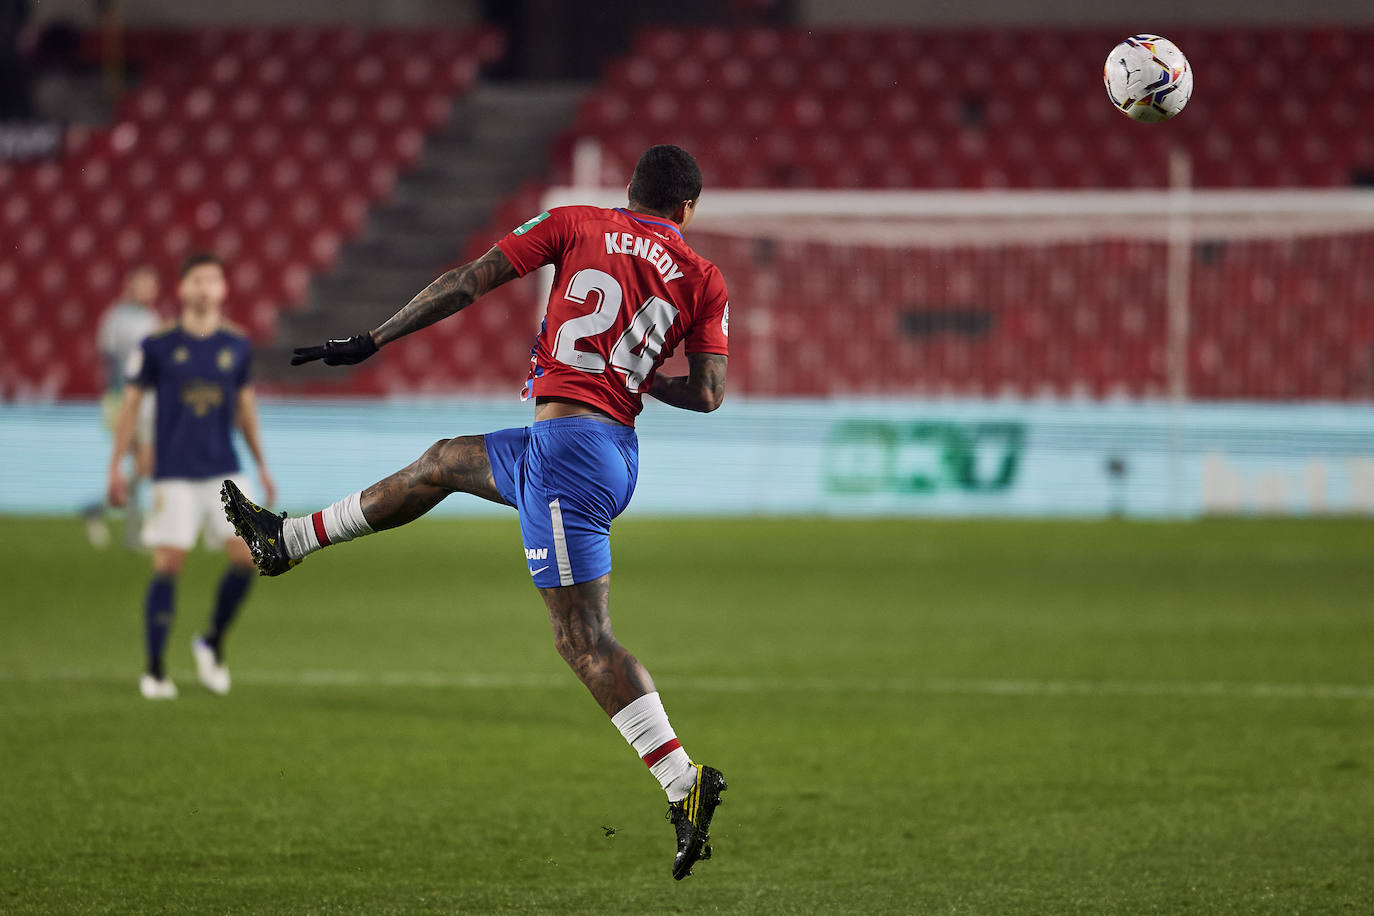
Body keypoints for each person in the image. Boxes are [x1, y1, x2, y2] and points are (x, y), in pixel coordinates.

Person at [222, 145, 730, 879]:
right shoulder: (706, 277)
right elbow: (710, 392)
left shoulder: (574, 221)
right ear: (686, 210)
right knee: (444, 462)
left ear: (629, 191)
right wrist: (641, 380)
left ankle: (683, 784)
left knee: (582, 639)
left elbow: (467, 282)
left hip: (565, 455)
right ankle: (287, 539)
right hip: (604, 449)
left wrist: (373, 339)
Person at [107, 253, 277, 700]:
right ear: (182, 289)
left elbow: (246, 408)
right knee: (168, 565)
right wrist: (116, 466)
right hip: (174, 473)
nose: (205, 288)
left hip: (225, 470)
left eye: (213, 281)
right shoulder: (157, 345)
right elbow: (129, 406)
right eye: (197, 280)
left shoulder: (237, 345)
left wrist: (261, 463)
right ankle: (156, 670)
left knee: (251, 557)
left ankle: (211, 643)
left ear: (223, 290)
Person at [85, 264, 160, 549]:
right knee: (140, 465)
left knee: (143, 467)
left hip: (147, 401)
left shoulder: (152, 318)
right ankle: (133, 534)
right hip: (124, 400)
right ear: (130, 285)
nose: (150, 289)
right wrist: (119, 400)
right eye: (145, 283)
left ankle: (102, 511)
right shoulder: (115, 319)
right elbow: (111, 362)